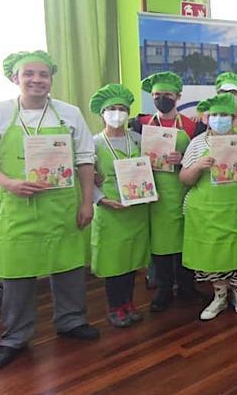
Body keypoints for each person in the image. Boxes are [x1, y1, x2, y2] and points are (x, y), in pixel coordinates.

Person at [0, 51, 99, 370]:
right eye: (28, 74)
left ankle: (71, 321)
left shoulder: (69, 113)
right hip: (18, 207)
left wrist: (86, 201)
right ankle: (15, 336)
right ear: (15, 78)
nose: (36, 79)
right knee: (18, 274)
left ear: (51, 78)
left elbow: (85, 158)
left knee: (68, 267)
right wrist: (8, 182)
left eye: (43, 74)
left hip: (61, 206)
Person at [180, 94, 237, 320]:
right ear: (208, 118)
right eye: (215, 115)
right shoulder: (197, 143)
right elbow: (185, 178)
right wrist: (198, 166)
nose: (220, 119)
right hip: (209, 212)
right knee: (214, 253)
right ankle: (219, 296)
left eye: (225, 115)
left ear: (232, 117)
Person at [131, 71, 203, 312]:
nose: (162, 99)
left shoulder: (193, 126)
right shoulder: (140, 125)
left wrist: (183, 158)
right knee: (160, 243)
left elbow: (201, 157)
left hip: (183, 189)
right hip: (155, 193)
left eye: (167, 95)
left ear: (178, 96)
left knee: (185, 239)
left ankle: (187, 286)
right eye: (157, 95)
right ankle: (163, 288)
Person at [88, 84, 150, 328]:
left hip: (135, 209)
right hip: (110, 209)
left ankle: (129, 303)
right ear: (102, 113)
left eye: (122, 109)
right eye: (112, 109)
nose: (117, 114)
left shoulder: (137, 139)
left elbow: (149, 168)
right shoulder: (93, 143)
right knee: (114, 262)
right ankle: (115, 306)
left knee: (132, 259)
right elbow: (84, 177)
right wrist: (100, 198)